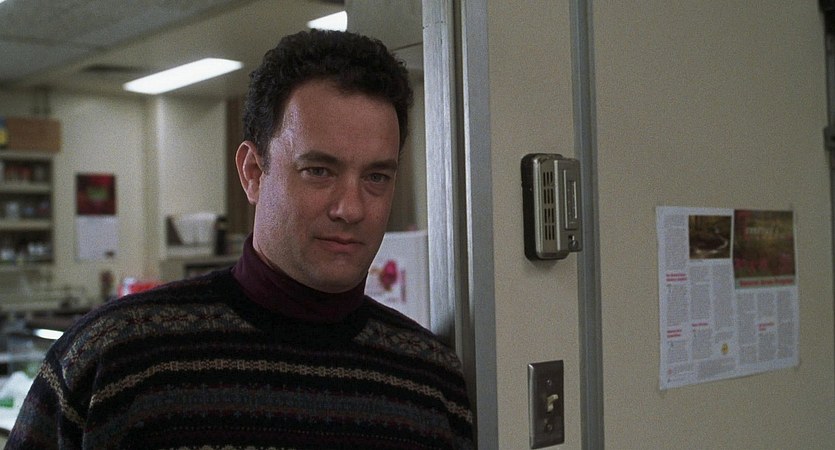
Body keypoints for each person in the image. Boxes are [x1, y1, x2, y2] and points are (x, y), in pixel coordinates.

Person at [6, 29, 473, 449]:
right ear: (253, 172)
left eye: (376, 177)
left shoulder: (429, 380)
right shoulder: (115, 360)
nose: (350, 208)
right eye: (318, 170)